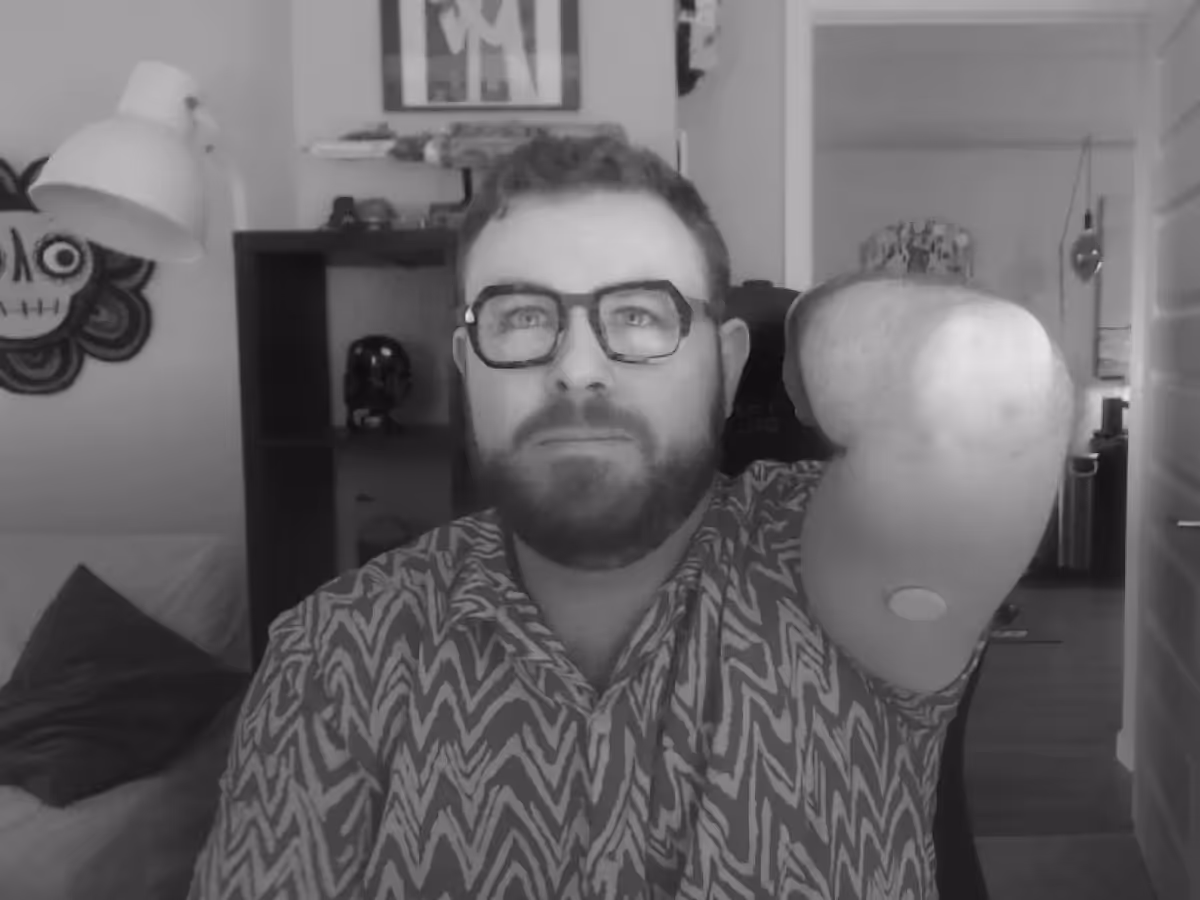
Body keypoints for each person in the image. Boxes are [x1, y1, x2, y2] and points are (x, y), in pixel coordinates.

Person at [188, 134, 1074, 900]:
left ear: (727, 370)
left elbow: (989, 373)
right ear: (467, 369)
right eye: (523, 315)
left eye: (642, 315)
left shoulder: (842, 580)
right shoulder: (333, 652)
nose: (577, 369)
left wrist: (804, 333)